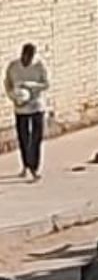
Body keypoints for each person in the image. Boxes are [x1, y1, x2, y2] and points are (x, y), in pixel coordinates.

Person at [4, 42, 48, 181]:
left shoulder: (39, 66)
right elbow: (7, 84)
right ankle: (25, 164)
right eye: (25, 57)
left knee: (36, 137)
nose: (27, 60)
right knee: (23, 137)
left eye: (30, 57)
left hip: (36, 105)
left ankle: (34, 166)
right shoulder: (13, 67)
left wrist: (31, 86)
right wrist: (13, 97)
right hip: (20, 107)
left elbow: (46, 84)